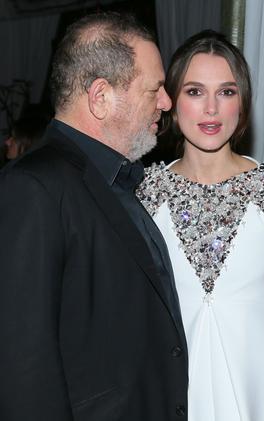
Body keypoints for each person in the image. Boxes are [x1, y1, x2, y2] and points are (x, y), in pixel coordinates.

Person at [0, 12, 188, 421]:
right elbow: (21, 366)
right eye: (154, 88)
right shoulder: (32, 188)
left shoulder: (118, 180)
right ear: (101, 96)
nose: (167, 102)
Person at [137, 30, 264, 421]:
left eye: (227, 92)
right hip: (175, 396)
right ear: (170, 101)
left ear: (243, 102)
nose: (212, 109)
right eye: (196, 92)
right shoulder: (144, 194)